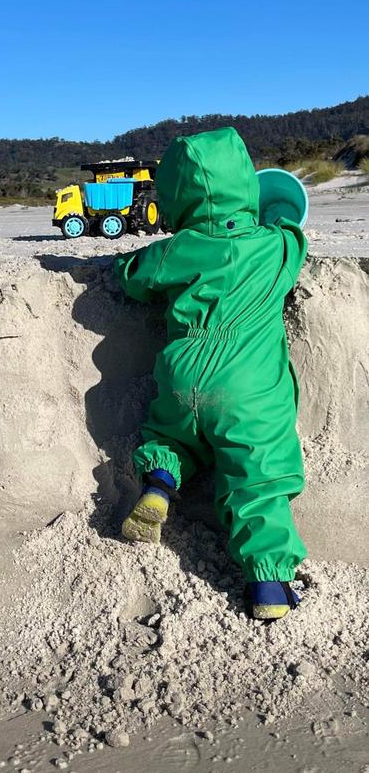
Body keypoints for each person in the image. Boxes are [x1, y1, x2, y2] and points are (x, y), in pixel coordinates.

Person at [114, 127, 307, 620]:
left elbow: (134, 276)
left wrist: (125, 266)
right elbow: (293, 235)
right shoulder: (274, 248)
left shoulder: (178, 249)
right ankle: (268, 584)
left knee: (171, 433)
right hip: (248, 387)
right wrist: (280, 218)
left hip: (184, 373)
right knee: (256, 477)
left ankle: (159, 482)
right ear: (245, 185)